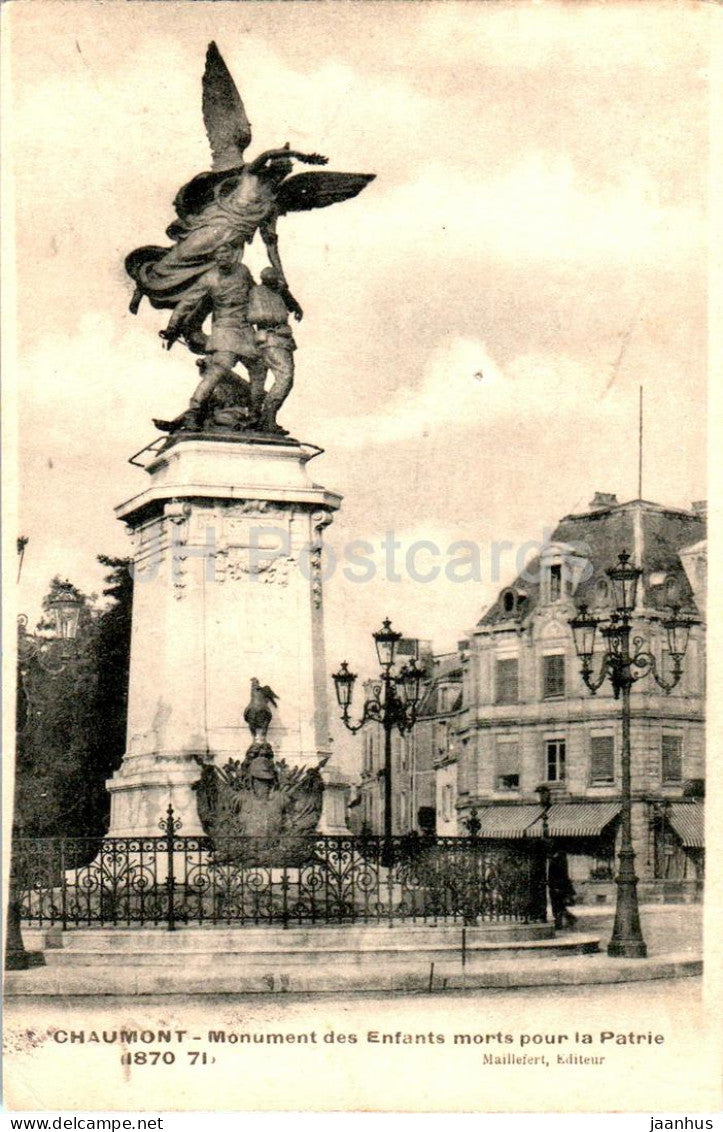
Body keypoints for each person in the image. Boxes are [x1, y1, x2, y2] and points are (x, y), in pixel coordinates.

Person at [159, 243, 267, 431]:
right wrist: (171, 327)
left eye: (226, 254)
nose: (222, 259)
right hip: (225, 332)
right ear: (215, 259)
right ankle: (193, 414)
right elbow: (187, 303)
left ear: (233, 255)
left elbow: (255, 294)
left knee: (259, 370)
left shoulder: (243, 271)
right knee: (216, 373)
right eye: (219, 256)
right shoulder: (209, 278)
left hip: (246, 331)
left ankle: (255, 416)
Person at [248, 268, 303, 434]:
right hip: (271, 339)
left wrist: (296, 307)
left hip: (282, 340)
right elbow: (257, 316)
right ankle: (267, 417)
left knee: (284, 378)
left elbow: (288, 299)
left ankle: (264, 417)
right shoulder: (257, 292)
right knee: (285, 376)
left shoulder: (278, 291)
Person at [548, 850, 577, 930]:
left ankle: (558, 924)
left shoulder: (557, 861)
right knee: (560, 907)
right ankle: (569, 918)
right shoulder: (560, 860)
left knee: (557, 907)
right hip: (557, 888)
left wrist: (556, 887)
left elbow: (559, 876)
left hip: (557, 888)